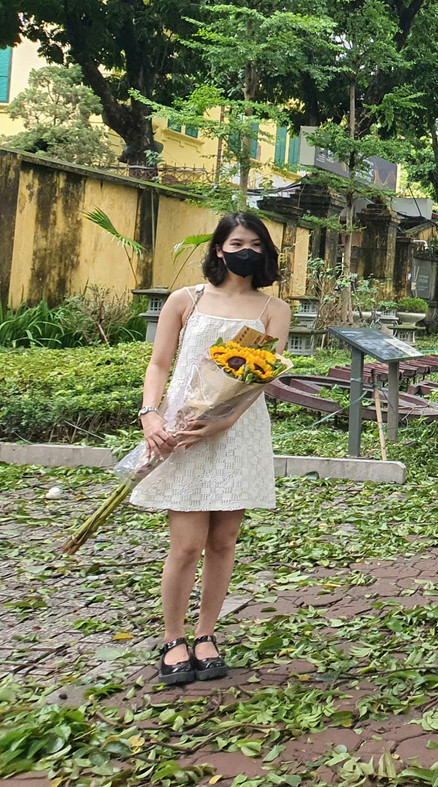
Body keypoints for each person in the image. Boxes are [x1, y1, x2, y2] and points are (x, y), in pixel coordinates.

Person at [131, 213, 291, 685]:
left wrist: (224, 422)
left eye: (256, 244)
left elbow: (259, 380)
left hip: (236, 433)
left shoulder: (273, 310)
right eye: (237, 241)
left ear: (266, 253)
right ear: (219, 249)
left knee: (222, 542)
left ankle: (206, 634)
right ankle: (173, 638)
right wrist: (150, 414)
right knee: (185, 545)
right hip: (182, 427)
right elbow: (159, 363)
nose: (247, 250)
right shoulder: (187, 300)